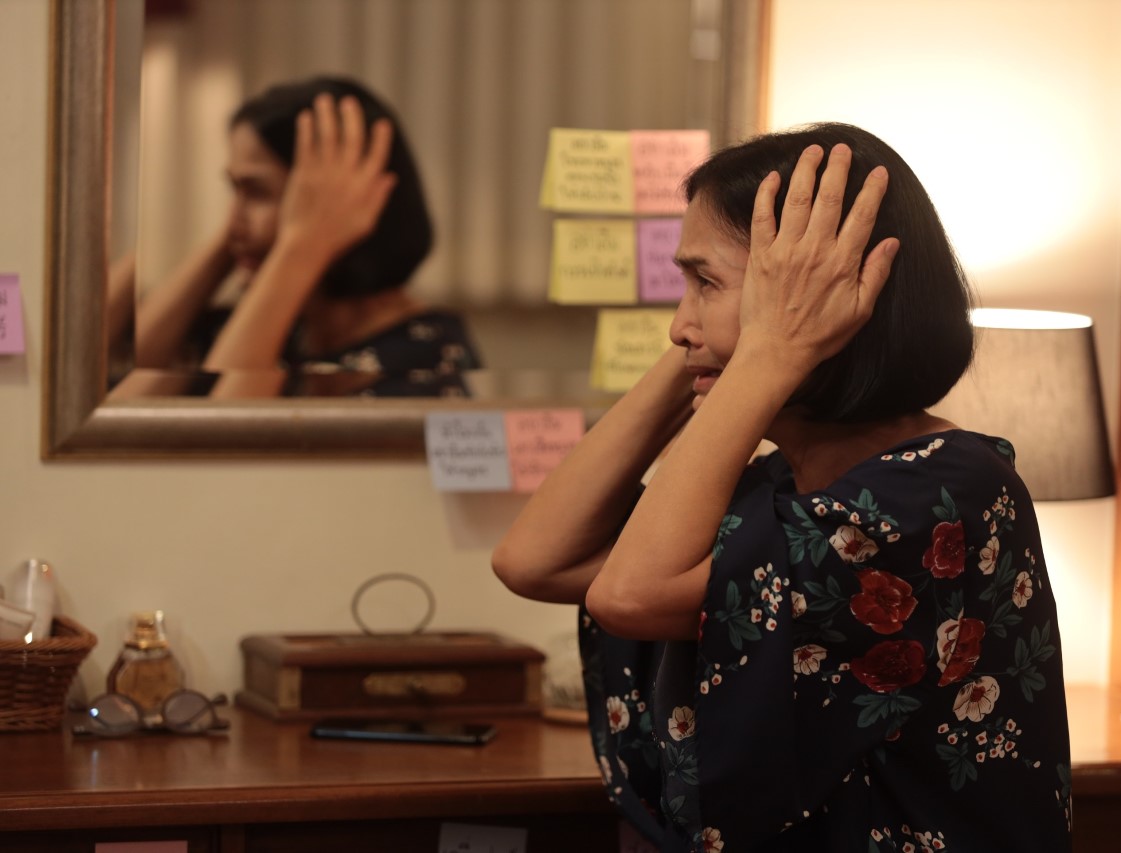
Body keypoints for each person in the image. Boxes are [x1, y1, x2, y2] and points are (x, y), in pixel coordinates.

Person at [492, 123, 1072, 852]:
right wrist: (716, 348)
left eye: (706, 283)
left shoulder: (941, 493)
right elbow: (535, 560)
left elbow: (630, 595)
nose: (678, 325)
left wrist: (766, 346)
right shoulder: (780, 484)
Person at [109, 76, 479, 398]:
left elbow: (217, 433)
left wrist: (302, 244)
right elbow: (124, 379)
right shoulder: (290, 326)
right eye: (235, 189)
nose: (233, 223)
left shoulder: (423, 355)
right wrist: (226, 246)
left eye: (256, 192)